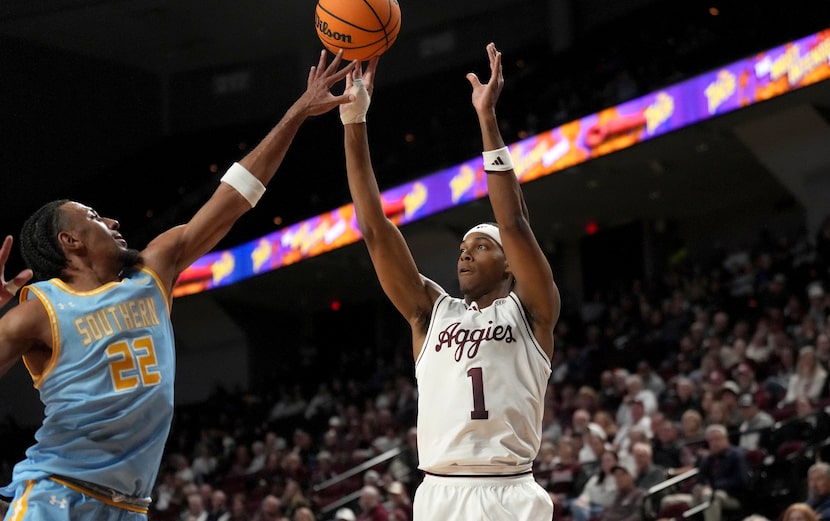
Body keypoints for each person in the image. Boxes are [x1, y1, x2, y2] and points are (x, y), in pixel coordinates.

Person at [0, 49, 356, 520]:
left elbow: (235, 198)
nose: (110, 219)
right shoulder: (39, 309)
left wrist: (298, 112)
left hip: (130, 506)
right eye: (92, 217)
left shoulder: (154, 268)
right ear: (70, 241)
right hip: (56, 496)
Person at [339, 42, 559, 521]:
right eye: (461, 248)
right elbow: (376, 231)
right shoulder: (431, 311)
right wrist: (353, 121)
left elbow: (516, 223)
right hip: (440, 493)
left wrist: (487, 119)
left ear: (508, 266)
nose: (465, 253)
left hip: (510, 491)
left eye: (480, 246)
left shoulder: (531, 312)